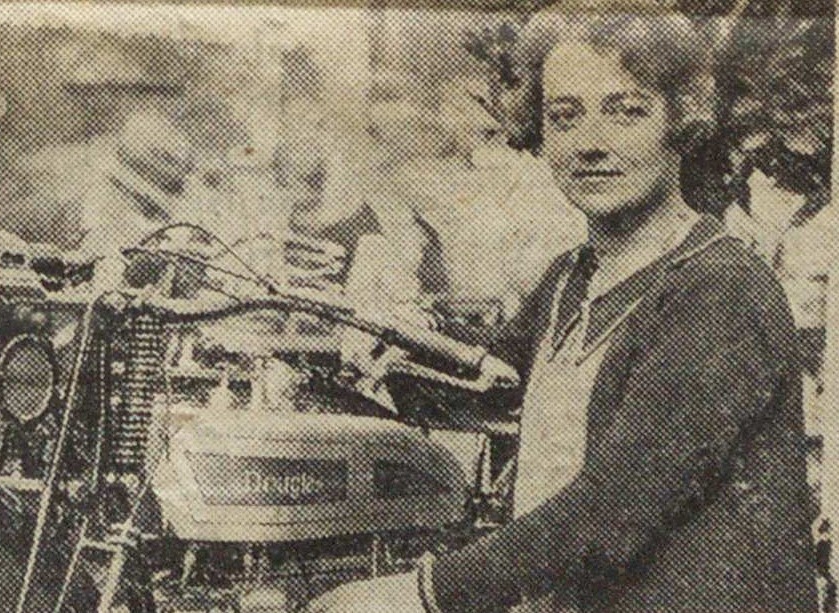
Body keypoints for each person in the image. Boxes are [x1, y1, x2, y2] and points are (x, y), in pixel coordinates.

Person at [311, 1, 815, 611]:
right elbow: (484, 385)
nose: (591, 145)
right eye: (565, 117)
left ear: (678, 122)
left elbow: (614, 508)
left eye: (626, 112)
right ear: (540, 134)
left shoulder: (720, 290)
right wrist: (382, 337)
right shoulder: (572, 278)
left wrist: (422, 593)